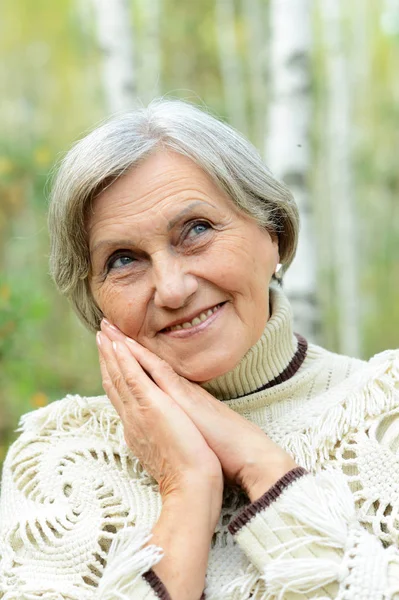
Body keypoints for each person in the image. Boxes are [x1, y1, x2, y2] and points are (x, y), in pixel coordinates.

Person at [0, 99, 398, 600]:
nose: (171, 289)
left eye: (197, 231)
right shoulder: (60, 460)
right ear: (93, 299)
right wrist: (185, 487)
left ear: (272, 231)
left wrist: (258, 463)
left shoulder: (386, 413)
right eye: (124, 260)